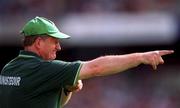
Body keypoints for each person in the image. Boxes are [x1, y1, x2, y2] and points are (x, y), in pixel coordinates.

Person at [0, 16, 174, 108]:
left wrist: (67, 89)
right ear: (38, 42)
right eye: (54, 41)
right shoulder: (42, 69)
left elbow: (53, 102)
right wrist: (141, 57)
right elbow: (97, 67)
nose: (59, 47)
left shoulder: (8, 69)